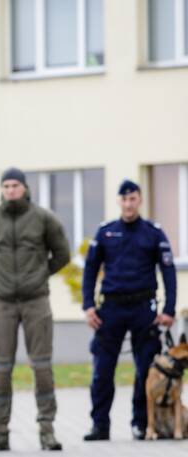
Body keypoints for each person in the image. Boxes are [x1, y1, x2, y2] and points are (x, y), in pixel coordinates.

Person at [0, 168, 70, 451]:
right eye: (6, 185)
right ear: (1, 189)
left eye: (15, 185)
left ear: (25, 188)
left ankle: (47, 431)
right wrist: (1, 276)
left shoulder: (43, 219)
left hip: (35, 300)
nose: (11, 190)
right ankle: (0, 432)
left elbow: (62, 253)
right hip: (2, 302)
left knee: (42, 366)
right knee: (1, 368)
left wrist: (39, 274)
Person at [82, 179, 178, 441]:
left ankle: (142, 424)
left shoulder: (153, 233)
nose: (128, 203)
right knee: (102, 369)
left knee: (145, 368)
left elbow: (168, 271)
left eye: (133, 198)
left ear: (140, 200)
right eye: (124, 199)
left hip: (142, 308)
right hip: (110, 308)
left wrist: (169, 309)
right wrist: (88, 305)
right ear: (118, 201)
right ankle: (99, 425)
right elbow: (90, 270)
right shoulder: (106, 232)